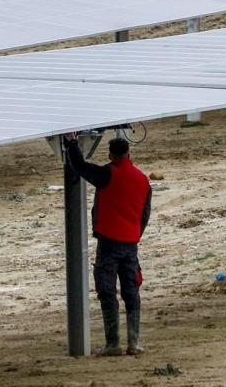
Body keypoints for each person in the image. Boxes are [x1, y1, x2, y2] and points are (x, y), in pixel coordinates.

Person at [63, 133, 152, 356]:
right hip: (131, 244)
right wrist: (133, 235)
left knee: (107, 291)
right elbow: (145, 214)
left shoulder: (107, 174)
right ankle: (134, 342)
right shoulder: (143, 180)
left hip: (109, 244)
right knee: (131, 291)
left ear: (111, 155)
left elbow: (80, 166)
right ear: (129, 153)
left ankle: (113, 344)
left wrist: (72, 142)